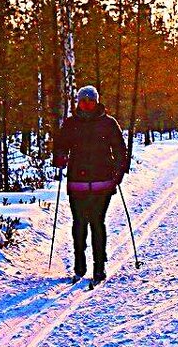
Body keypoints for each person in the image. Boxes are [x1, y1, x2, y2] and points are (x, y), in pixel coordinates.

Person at [52, 85, 130, 284]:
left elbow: (121, 150)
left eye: (90, 100)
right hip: (77, 182)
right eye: (83, 100)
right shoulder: (70, 124)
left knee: (97, 223)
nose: (86, 103)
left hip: (102, 183)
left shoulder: (108, 123)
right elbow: (60, 145)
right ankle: (79, 266)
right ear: (78, 102)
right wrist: (60, 156)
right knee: (79, 224)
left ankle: (99, 267)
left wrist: (119, 172)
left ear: (96, 101)